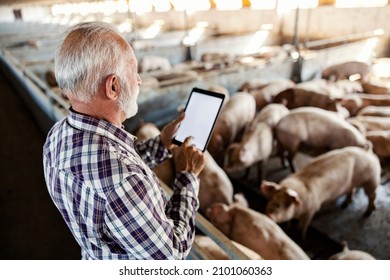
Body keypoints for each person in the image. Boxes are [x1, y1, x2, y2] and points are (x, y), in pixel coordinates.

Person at [42, 21, 206, 260]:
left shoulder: (57, 136)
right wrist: (188, 177)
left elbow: (113, 163)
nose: (139, 80)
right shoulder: (123, 181)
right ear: (113, 87)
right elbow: (171, 254)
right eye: (133, 71)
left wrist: (161, 143)